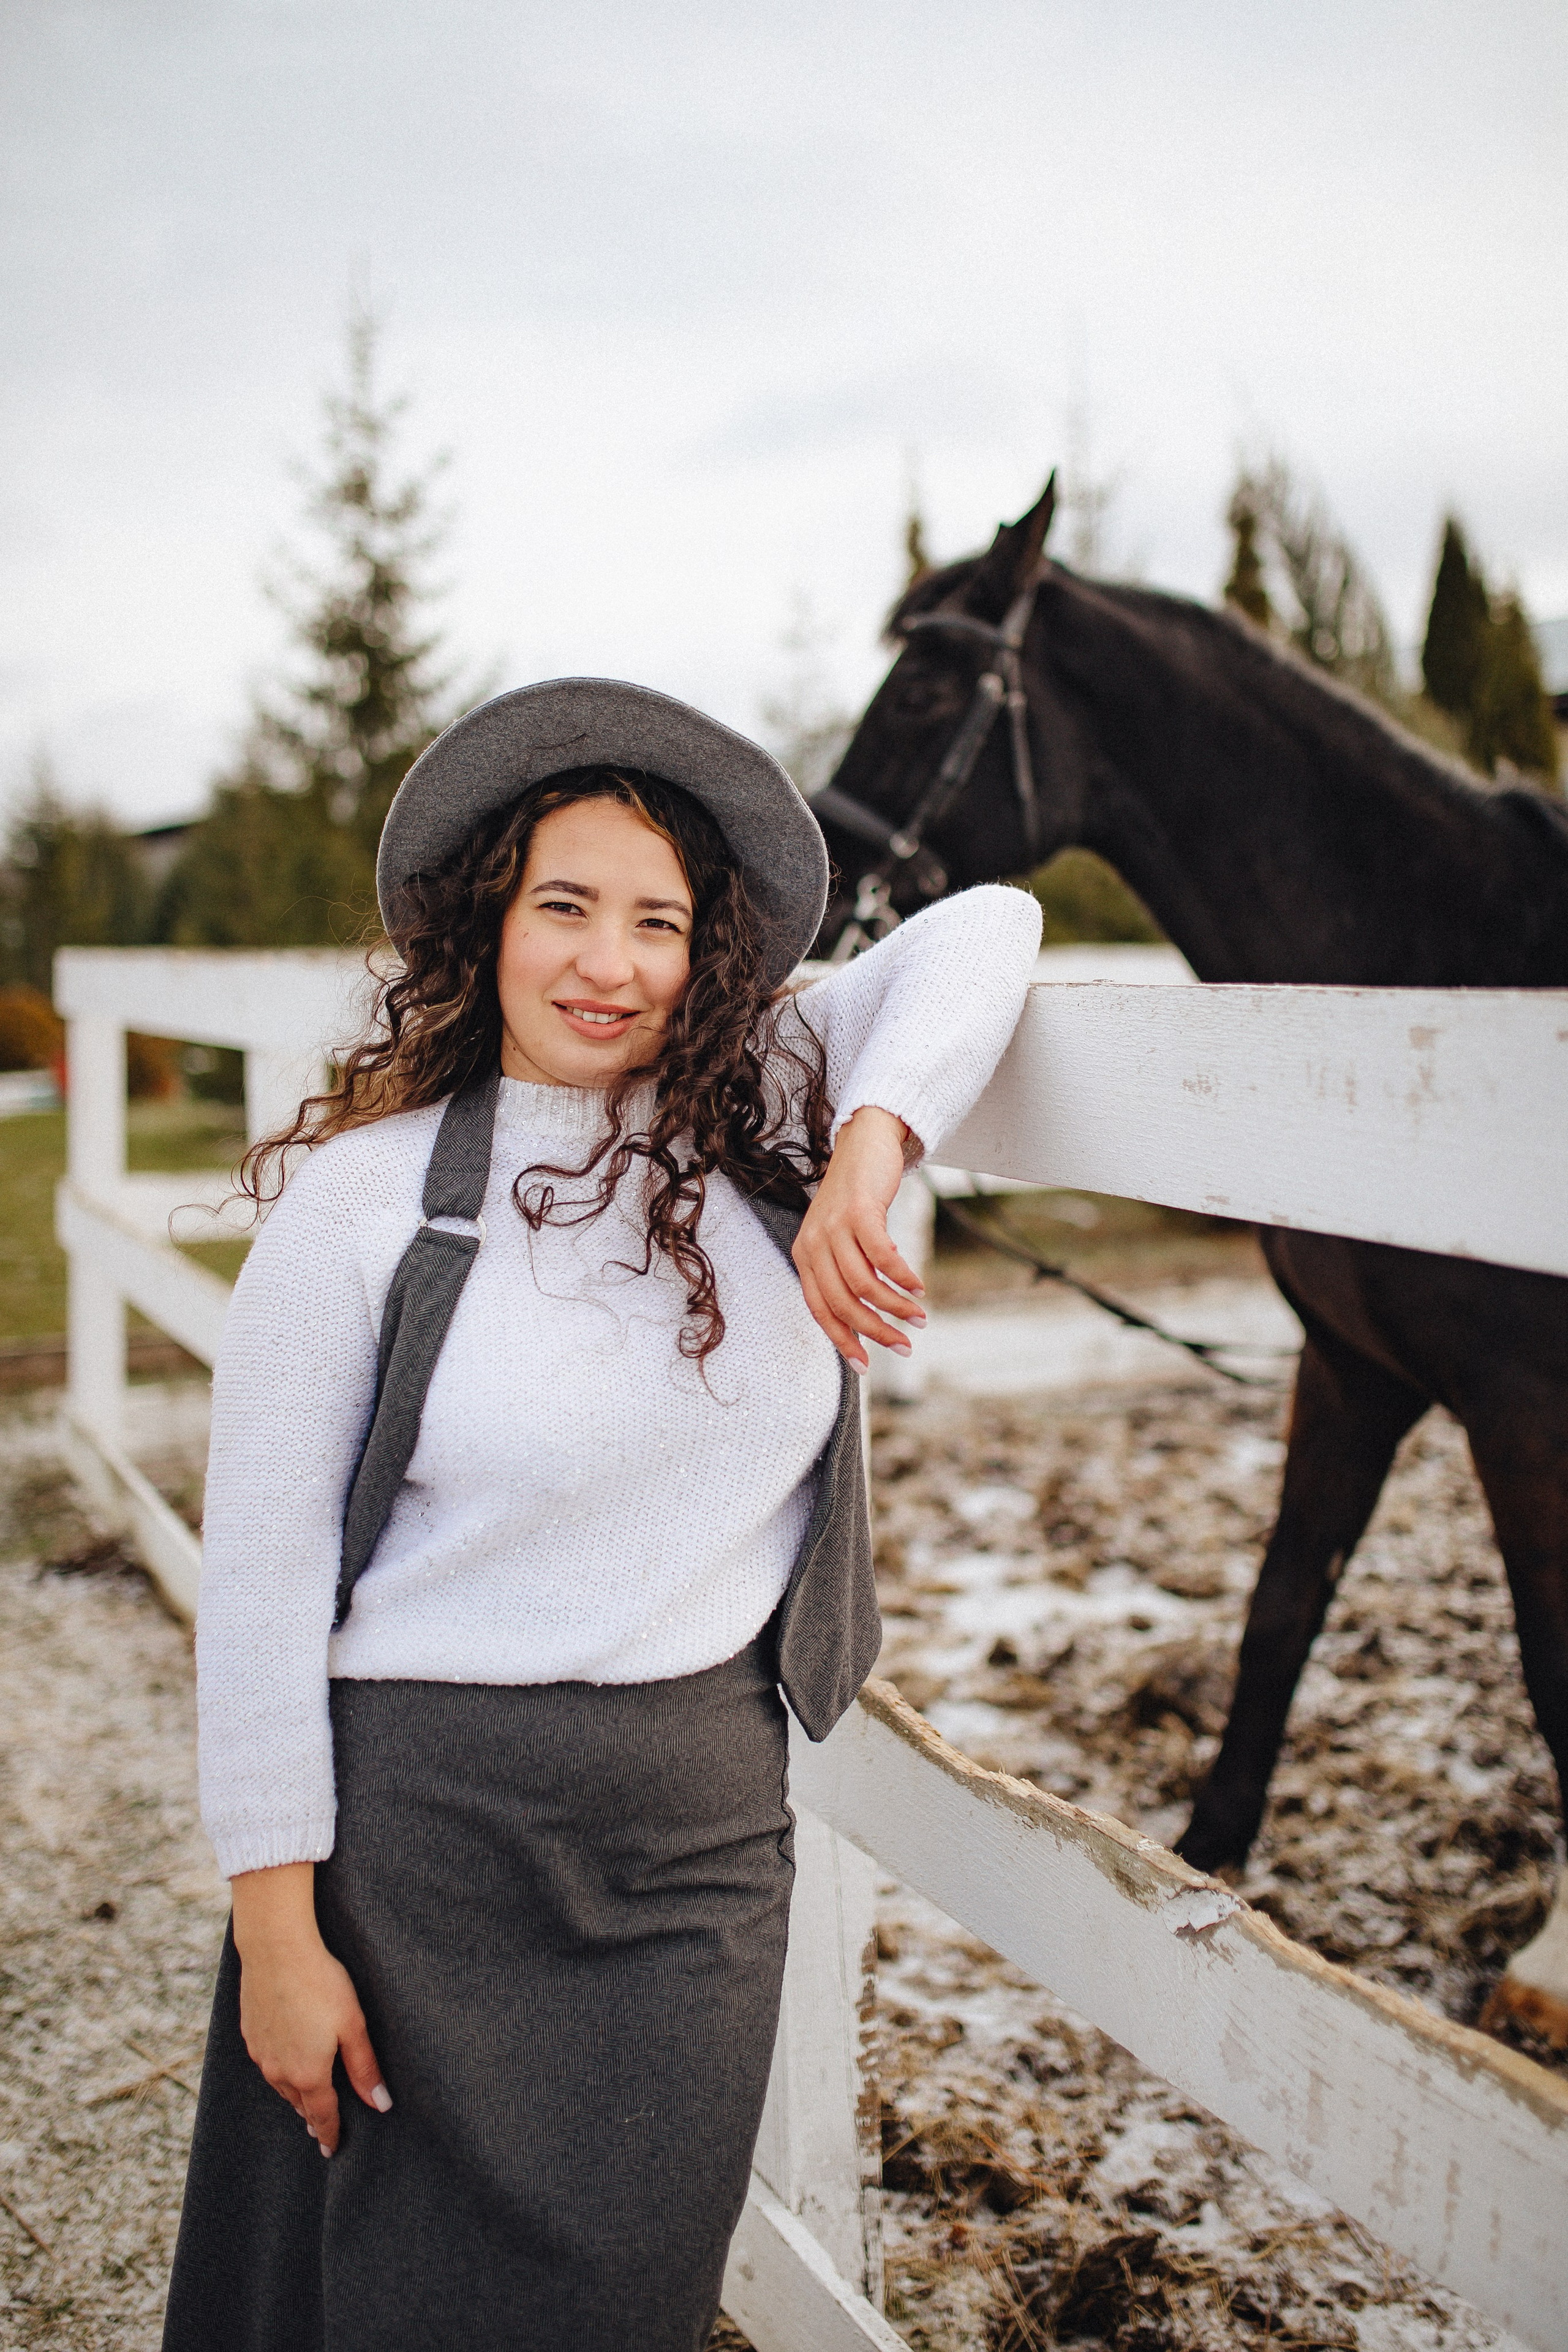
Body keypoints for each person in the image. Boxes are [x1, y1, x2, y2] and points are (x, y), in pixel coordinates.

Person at [162, 679, 1042, 2352]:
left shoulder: (767, 1116)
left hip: (693, 1862)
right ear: (488, 922)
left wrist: (869, 1152)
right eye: (564, 906)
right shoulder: (360, 1203)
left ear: (710, 953)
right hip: (415, 1855)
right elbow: (261, 1585)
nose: (609, 963)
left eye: (660, 922)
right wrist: (276, 1933)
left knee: (624, 2305)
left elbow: (990, 924)